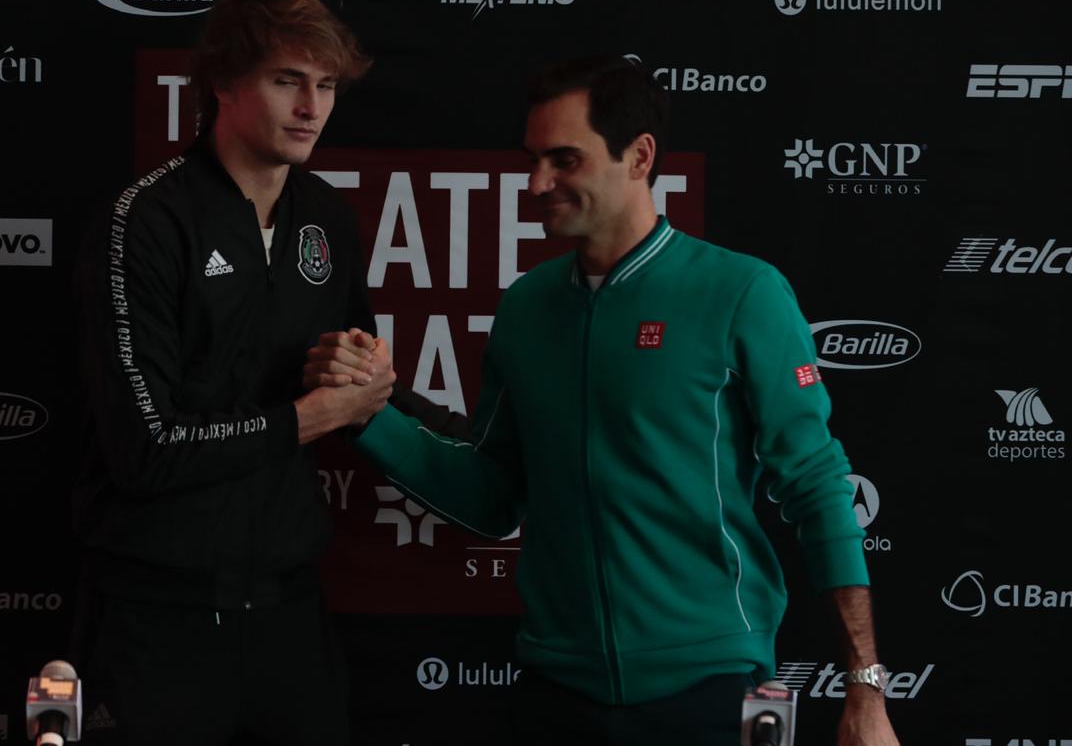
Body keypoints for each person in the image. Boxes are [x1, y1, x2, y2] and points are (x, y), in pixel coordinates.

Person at [306, 56, 900, 744]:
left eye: (565, 159)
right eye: (533, 159)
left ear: (640, 156)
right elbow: (491, 495)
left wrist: (865, 689)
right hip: (557, 692)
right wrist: (368, 418)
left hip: (709, 687)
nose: (537, 183)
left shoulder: (741, 293)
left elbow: (819, 485)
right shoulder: (526, 308)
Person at [69, 0, 418, 746]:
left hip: (290, 612)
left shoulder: (325, 216)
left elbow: (356, 383)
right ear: (224, 83)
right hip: (160, 617)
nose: (312, 106)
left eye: (325, 85)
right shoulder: (147, 223)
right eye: (287, 80)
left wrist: (364, 371)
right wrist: (308, 418)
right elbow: (145, 447)